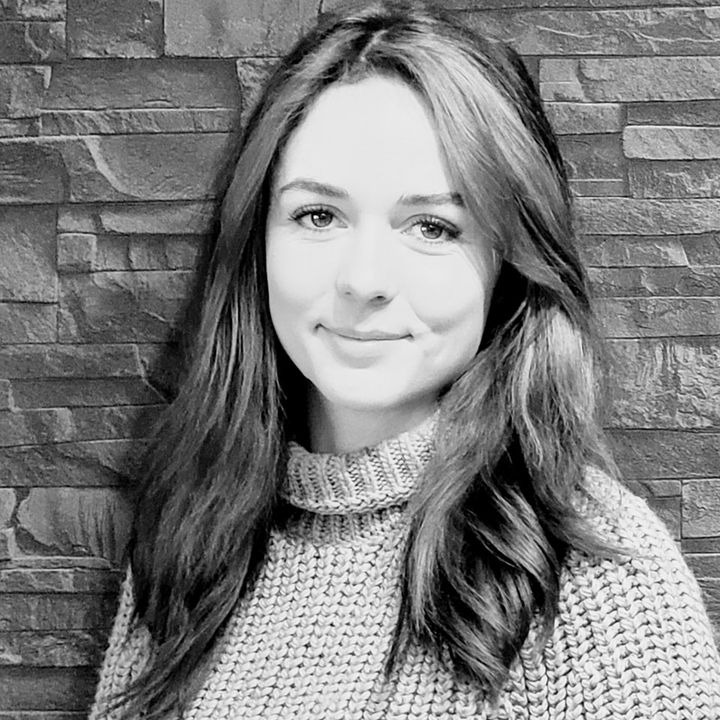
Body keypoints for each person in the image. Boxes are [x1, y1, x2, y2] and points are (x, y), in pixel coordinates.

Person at [89, 2, 720, 718]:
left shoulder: (600, 579)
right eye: (317, 216)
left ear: (509, 262)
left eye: (432, 227)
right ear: (256, 243)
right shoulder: (189, 542)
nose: (364, 280)